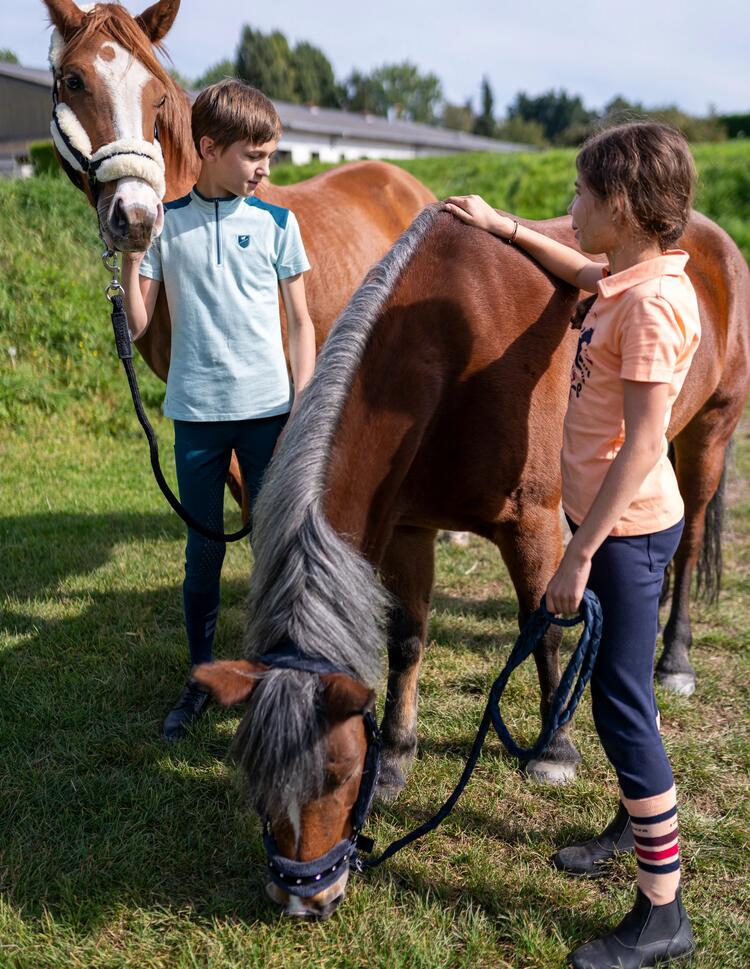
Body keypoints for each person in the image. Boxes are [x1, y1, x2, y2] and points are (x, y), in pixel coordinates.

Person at [445, 121, 700, 969]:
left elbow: (642, 444)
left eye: (581, 196)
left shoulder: (656, 306)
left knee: (621, 707)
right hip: (617, 531)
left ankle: (663, 911)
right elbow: (581, 269)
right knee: (620, 690)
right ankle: (631, 824)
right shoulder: (630, 278)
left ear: (622, 205)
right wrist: (502, 225)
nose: (571, 209)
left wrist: (579, 551)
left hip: (623, 534)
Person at [122, 79, 316, 741]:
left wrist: (302, 404)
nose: (266, 168)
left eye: (270, 154)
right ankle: (202, 674)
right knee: (202, 552)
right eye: (254, 154)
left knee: (274, 549)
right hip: (198, 417)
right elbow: (142, 319)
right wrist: (130, 262)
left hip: (268, 414)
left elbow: (299, 323)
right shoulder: (167, 226)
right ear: (209, 147)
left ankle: (276, 671)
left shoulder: (277, 224)